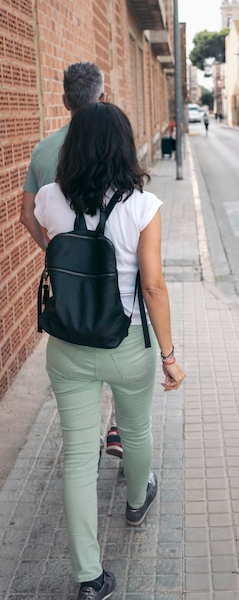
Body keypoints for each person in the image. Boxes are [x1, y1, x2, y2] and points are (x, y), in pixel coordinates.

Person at [34, 102, 186, 600]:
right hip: (127, 343)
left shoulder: (51, 199)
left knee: (79, 456)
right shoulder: (143, 206)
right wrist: (168, 353)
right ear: (123, 146)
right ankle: (138, 501)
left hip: (68, 343)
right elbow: (155, 286)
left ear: (72, 146)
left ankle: (89, 578)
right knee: (136, 427)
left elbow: (48, 241)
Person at [20, 62, 123, 459]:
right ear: (104, 97)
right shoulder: (112, 144)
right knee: (117, 335)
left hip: (66, 275)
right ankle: (116, 428)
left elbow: (26, 215)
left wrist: (54, 251)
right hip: (115, 270)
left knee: (76, 338)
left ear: (64, 101)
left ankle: (88, 434)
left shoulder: (44, 150)